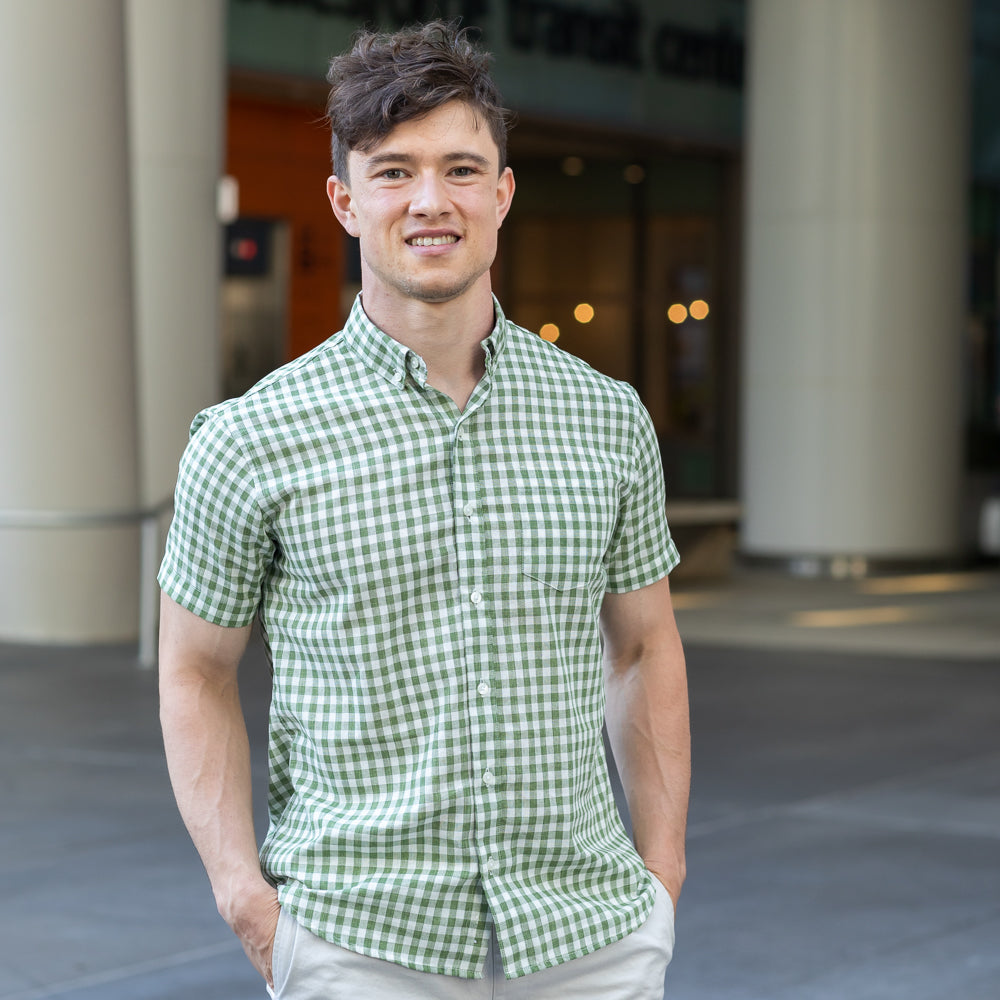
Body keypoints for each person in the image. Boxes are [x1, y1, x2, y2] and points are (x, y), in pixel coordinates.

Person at [158, 20, 689, 1000]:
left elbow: (644, 646)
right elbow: (195, 670)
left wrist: (661, 874)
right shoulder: (247, 437)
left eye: (459, 168)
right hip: (359, 945)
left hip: (588, 940)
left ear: (502, 192)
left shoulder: (606, 418)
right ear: (344, 200)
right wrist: (245, 894)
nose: (430, 201)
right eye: (394, 171)